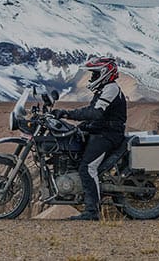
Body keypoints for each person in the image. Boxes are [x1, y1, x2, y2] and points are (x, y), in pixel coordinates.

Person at [51, 57, 127, 220]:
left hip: (108, 135)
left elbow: (95, 113)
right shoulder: (103, 89)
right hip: (100, 131)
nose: (92, 78)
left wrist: (67, 113)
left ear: (104, 74)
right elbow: (94, 113)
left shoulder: (111, 88)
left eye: (95, 74)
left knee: (87, 168)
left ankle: (92, 212)